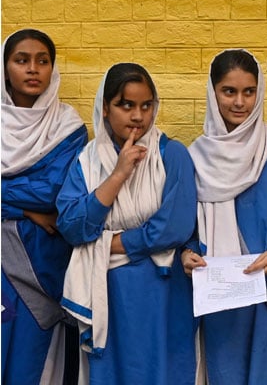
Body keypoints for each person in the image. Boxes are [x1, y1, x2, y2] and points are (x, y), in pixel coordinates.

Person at [183, 49, 267, 384]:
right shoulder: (193, 159)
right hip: (221, 304)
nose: (240, 102)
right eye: (229, 91)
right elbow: (186, 230)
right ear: (212, 92)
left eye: (249, 91)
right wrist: (186, 255)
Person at [55, 62, 198, 384]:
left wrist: (110, 243)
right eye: (126, 105)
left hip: (163, 290)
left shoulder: (172, 155)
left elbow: (174, 227)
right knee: (112, 372)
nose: (138, 116)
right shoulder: (88, 161)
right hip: (108, 291)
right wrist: (118, 175)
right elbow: (72, 227)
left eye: (146, 106)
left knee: (162, 370)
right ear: (105, 109)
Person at [1, 29, 88, 385]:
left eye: (43, 61)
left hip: (46, 264)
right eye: (22, 60)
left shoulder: (68, 127)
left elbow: (53, 191)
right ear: (6, 68)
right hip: (4, 264)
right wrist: (26, 211)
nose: (33, 69)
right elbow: (36, 197)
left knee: (35, 361)